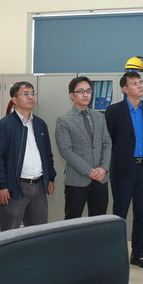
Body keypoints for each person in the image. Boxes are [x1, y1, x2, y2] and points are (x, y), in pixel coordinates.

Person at [0, 81, 56, 231]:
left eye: (32, 94)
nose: (31, 97)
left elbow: (47, 154)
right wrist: (1, 185)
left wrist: (50, 178)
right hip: (14, 187)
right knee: (10, 232)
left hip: (39, 186)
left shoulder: (40, 124)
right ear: (14, 99)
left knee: (38, 232)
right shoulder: (3, 126)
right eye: (25, 94)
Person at [105, 71, 143, 269]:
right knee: (120, 214)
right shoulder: (114, 110)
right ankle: (116, 256)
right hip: (123, 169)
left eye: (140, 82)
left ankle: (138, 254)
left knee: (141, 213)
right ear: (125, 89)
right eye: (134, 83)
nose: (140, 86)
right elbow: (109, 141)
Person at [55, 76, 111, 219]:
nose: (85, 95)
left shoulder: (99, 117)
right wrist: (88, 171)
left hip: (100, 178)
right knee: (72, 221)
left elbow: (107, 143)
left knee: (99, 221)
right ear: (71, 95)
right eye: (81, 91)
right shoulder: (64, 120)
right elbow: (65, 150)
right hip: (77, 180)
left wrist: (103, 168)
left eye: (88, 91)